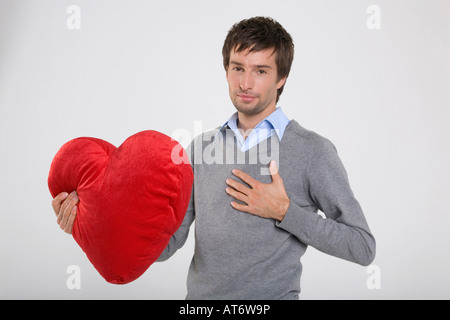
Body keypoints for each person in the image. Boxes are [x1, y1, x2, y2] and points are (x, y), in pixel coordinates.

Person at [52, 17, 376, 300]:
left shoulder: (312, 151)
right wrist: (91, 220)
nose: (245, 83)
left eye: (261, 71)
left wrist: (285, 211)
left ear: (281, 79)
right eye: (238, 68)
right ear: (226, 71)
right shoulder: (200, 148)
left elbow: (362, 247)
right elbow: (165, 243)